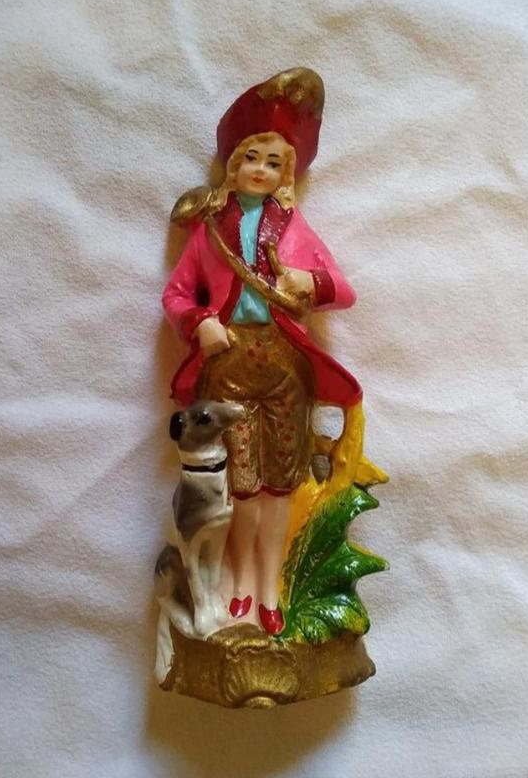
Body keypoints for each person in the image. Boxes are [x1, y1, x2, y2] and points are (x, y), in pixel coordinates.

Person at [162, 68, 362, 634]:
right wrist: (200, 322)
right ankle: (240, 586)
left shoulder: (294, 229)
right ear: (233, 163)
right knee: (241, 484)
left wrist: (308, 282)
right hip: (227, 366)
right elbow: (176, 294)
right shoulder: (209, 231)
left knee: (279, 485)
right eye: (252, 157)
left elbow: (342, 290)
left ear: (286, 174)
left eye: (274, 162)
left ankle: (270, 585)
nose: (261, 170)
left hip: (283, 367)